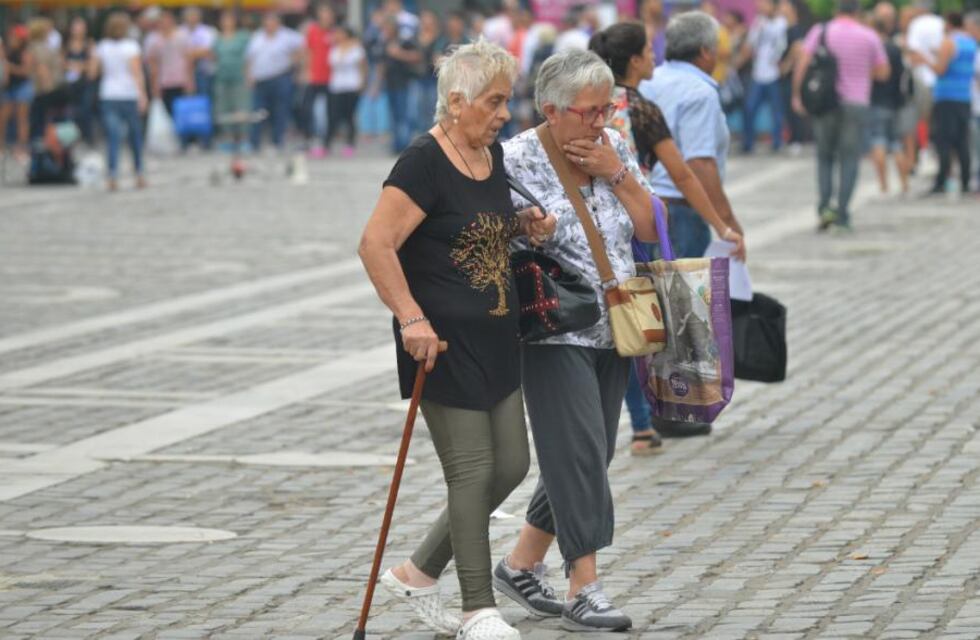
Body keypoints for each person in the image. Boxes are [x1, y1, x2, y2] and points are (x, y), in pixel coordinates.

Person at [359, 39, 555, 640]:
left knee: (512, 465)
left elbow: (477, 228)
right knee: (471, 472)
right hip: (439, 343)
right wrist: (411, 318)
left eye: (507, 101)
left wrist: (524, 226)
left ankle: (418, 572)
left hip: (498, 334)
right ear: (456, 101)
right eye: (495, 102)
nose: (504, 114)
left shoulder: (489, 156)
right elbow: (376, 244)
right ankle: (477, 608)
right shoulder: (422, 161)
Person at [499, 48, 662, 633]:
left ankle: (519, 564)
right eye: (591, 111)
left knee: (593, 452)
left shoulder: (613, 146)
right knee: (577, 453)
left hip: (616, 322)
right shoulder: (514, 158)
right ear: (552, 109)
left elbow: (648, 226)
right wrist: (525, 229)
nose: (601, 119)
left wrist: (613, 172)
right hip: (554, 327)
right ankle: (583, 588)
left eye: (606, 107)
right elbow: (488, 240)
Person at [590, 21, 745, 455]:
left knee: (615, 319)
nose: (655, 57)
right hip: (636, 225)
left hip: (592, 225)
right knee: (646, 325)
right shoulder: (640, 109)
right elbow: (682, 173)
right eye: (649, 52)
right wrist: (721, 224)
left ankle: (634, 426)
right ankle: (653, 419)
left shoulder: (590, 105)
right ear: (636, 60)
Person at [639, 11, 746, 438]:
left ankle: (657, 408)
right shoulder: (699, 92)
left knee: (658, 311)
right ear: (706, 52)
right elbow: (700, 164)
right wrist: (725, 221)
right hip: (681, 208)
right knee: (682, 314)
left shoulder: (653, 80)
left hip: (649, 204)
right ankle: (676, 411)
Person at [792, 0, 889, 232]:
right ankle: (843, 214)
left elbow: (803, 63)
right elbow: (883, 72)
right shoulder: (869, 36)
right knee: (849, 159)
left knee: (825, 157)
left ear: (836, 11)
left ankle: (825, 207)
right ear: (857, 12)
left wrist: (797, 95)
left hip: (826, 103)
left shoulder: (820, 31)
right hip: (856, 103)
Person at [910, 12, 976, 196]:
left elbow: (940, 69)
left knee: (944, 140)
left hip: (946, 95)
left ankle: (941, 180)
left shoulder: (949, 42)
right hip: (964, 95)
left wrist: (924, 59)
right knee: (962, 141)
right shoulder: (970, 43)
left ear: (948, 24)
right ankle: (964, 181)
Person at [89, 11, 147, 191]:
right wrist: (143, 94)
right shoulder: (131, 47)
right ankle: (139, 174)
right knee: (134, 136)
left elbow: (92, 73)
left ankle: (112, 175)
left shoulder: (102, 47)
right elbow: (136, 73)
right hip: (129, 94)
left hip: (109, 94)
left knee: (113, 137)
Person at [870, 2, 912, 196]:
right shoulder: (894, 48)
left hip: (876, 101)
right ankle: (904, 183)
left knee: (878, 142)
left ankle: (883, 184)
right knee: (896, 145)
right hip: (894, 102)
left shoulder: (873, 48)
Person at [246, 12, 303, 152]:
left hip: (280, 77)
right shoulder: (257, 36)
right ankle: (254, 142)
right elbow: (249, 58)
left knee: (280, 111)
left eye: (272, 22)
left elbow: (303, 49)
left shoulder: (288, 36)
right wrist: (249, 76)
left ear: (278, 23)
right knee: (258, 111)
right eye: (267, 22)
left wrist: (296, 66)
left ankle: (277, 141)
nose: (269, 25)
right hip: (261, 79)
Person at [738, 0, 788, 154]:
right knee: (749, 108)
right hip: (758, 74)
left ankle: (777, 142)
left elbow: (785, 44)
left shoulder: (782, 23)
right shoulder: (758, 22)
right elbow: (750, 44)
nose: (760, 6)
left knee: (777, 111)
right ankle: (748, 143)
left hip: (774, 74)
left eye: (765, 3)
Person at [380, 15, 421, 153]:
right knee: (393, 116)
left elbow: (417, 56)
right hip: (390, 84)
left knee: (404, 115)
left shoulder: (405, 41)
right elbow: (382, 64)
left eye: (389, 28)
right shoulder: (385, 43)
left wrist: (398, 53)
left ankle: (404, 143)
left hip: (403, 83)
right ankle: (395, 144)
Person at [211, 9, 251, 151]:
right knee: (223, 108)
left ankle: (243, 139)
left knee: (241, 107)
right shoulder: (218, 39)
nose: (226, 23)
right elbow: (214, 57)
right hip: (222, 78)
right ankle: (227, 138)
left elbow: (249, 58)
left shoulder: (243, 37)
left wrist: (248, 76)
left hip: (239, 77)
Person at [325, 26, 366, 157]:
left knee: (349, 116)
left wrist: (362, 83)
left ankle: (350, 144)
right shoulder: (335, 49)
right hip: (336, 86)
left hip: (351, 86)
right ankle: (327, 144)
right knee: (333, 116)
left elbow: (363, 67)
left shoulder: (357, 49)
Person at [145, 10, 193, 118]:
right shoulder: (154, 40)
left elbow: (189, 59)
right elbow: (153, 64)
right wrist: (154, 84)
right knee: (168, 109)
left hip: (181, 79)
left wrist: (190, 80)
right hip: (164, 81)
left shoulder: (182, 36)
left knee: (183, 109)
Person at [26, 17, 67, 143]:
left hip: (43, 90)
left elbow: (41, 69)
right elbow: (43, 69)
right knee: (50, 120)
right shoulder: (42, 47)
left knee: (39, 120)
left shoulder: (35, 47)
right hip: (50, 89)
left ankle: (43, 145)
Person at [302, 2, 335, 157]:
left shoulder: (336, 32)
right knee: (307, 108)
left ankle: (326, 142)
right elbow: (308, 51)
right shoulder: (312, 31)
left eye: (328, 14)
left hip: (331, 78)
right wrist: (305, 70)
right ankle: (309, 138)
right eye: (323, 13)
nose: (326, 17)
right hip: (314, 76)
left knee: (329, 112)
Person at [0, 25, 33, 160]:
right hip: (9, 88)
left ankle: (21, 149)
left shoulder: (25, 53)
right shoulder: (6, 51)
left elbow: (26, 71)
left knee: (22, 119)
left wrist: (10, 67)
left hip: (22, 86)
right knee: (3, 118)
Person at [64, 16, 96, 146]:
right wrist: (74, 65)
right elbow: (62, 62)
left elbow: (92, 65)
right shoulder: (66, 44)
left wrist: (78, 66)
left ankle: (87, 138)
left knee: (85, 109)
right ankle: (70, 139)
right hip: (70, 82)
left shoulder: (89, 44)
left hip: (84, 82)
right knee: (70, 110)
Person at [415, 10, 442, 132]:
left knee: (432, 107)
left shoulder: (439, 38)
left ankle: (432, 134)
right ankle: (422, 134)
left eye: (429, 20)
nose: (426, 23)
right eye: (424, 20)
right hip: (418, 77)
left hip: (433, 78)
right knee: (418, 108)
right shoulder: (416, 37)